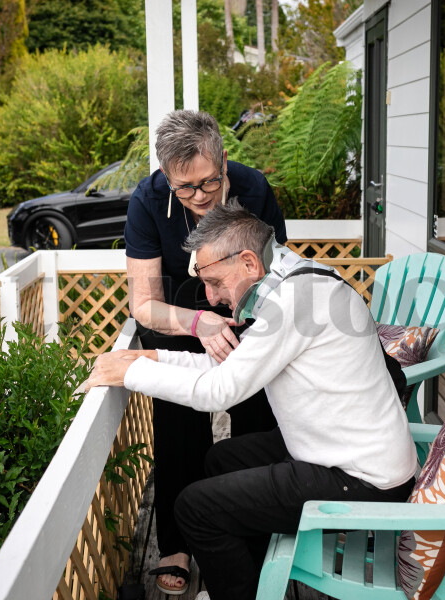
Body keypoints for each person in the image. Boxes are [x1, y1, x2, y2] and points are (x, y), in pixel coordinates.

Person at [81, 201, 420, 600]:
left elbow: (218, 390)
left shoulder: (294, 302)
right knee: (219, 460)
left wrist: (130, 374)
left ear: (247, 263)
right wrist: (148, 357)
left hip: (363, 479)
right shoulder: (294, 279)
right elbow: (224, 362)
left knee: (195, 507)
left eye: (216, 283)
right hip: (343, 449)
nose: (210, 297)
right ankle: (253, 581)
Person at [124, 110, 286, 594]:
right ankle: (176, 544)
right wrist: (198, 322)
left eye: (209, 181)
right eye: (184, 188)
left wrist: (239, 319)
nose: (199, 196)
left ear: (224, 161)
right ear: (166, 178)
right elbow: (143, 303)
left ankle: (253, 533)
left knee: (257, 421)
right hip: (177, 316)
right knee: (178, 430)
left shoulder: (255, 190)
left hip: (248, 317)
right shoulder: (147, 201)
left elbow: (277, 276)